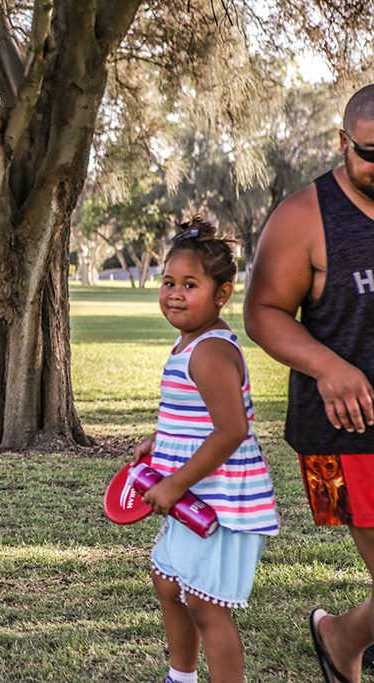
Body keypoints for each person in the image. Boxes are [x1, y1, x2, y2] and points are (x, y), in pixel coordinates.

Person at [244, 84, 374, 683]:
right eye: (371, 152)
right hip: (344, 434)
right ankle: (338, 637)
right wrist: (328, 366)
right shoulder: (305, 215)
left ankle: (345, 636)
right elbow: (264, 311)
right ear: (342, 142)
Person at [134, 218, 279, 683]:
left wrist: (175, 482)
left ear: (222, 293)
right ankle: (181, 677)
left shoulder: (210, 351)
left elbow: (232, 429)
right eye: (168, 282)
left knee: (206, 606)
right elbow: (200, 419)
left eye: (189, 285)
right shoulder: (187, 344)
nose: (174, 293)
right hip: (194, 498)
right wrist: (162, 442)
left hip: (220, 502)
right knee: (168, 583)